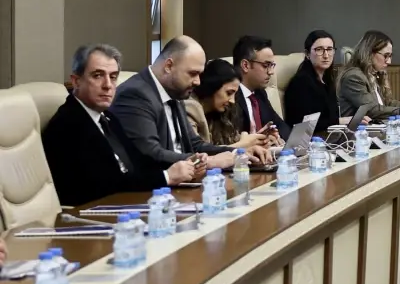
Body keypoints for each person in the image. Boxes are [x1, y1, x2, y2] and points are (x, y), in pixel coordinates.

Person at [43, 44, 197, 206]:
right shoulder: (67, 125)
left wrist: (183, 167)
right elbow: (106, 185)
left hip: (124, 203)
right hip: (93, 212)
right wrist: (166, 177)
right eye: (97, 76)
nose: (108, 85)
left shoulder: (107, 117)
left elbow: (138, 163)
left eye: (113, 77)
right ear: (76, 81)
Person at [111, 36, 259, 174]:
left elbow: (195, 145)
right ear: (169, 66)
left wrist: (238, 153)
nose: (198, 82)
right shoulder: (134, 94)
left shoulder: (175, 92)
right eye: (193, 73)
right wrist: (210, 162)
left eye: (199, 74)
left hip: (186, 181)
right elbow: (150, 154)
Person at [184, 59, 270, 150]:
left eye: (234, 94)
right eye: (229, 93)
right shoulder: (190, 108)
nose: (232, 101)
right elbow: (197, 152)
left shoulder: (222, 112)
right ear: (212, 86)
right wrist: (243, 144)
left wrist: (258, 140)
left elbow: (235, 142)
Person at [338, 30, 400, 121]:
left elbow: (387, 103)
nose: (389, 62)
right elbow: (372, 110)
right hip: (359, 129)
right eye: (385, 56)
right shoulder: (354, 77)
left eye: (390, 56)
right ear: (369, 53)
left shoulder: (373, 73)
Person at [284, 30, 347, 134]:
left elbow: (331, 116)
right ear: (307, 54)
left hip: (329, 135)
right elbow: (303, 124)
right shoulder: (300, 83)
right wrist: (340, 121)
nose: (326, 55)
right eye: (319, 50)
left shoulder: (327, 80)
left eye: (329, 49)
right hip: (309, 140)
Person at [232, 35, 289, 142]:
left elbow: (280, 126)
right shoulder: (230, 95)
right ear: (245, 65)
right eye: (266, 65)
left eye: (272, 65)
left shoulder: (260, 93)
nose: (271, 72)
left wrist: (281, 138)